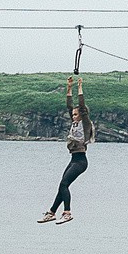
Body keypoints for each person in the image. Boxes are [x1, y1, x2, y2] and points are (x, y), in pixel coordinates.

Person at [38, 77, 94, 225]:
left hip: (81, 161)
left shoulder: (85, 123)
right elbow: (70, 106)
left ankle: (67, 213)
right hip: (73, 160)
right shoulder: (75, 123)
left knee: (64, 184)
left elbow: (81, 105)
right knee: (62, 185)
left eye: (76, 115)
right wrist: (69, 87)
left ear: (82, 114)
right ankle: (51, 212)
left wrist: (80, 87)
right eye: (73, 115)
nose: (73, 116)